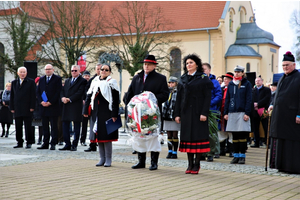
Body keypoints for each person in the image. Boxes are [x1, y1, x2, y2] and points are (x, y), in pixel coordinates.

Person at [125, 55, 169, 170]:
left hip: (152, 113)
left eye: (149, 64)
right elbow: (130, 93)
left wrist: (150, 100)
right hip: (137, 114)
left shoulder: (161, 78)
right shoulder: (137, 77)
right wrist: (129, 103)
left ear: (154, 66)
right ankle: (141, 161)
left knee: (153, 138)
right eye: (145, 64)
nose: (146, 66)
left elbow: (165, 95)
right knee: (139, 137)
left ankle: (154, 162)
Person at [174, 54, 213, 174]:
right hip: (186, 113)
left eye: (191, 62)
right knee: (187, 139)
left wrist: (204, 113)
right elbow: (179, 98)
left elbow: (207, 97)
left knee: (197, 138)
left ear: (196, 64)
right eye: (186, 63)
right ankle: (189, 164)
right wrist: (177, 114)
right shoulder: (183, 78)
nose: (188, 65)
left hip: (198, 113)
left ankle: (197, 164)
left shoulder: (202, 78)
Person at [268, 51, 300, 174]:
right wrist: (272, 105)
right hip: (280, 116)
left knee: (291, 142)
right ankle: (280, 165)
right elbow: (277, 95)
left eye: (287, 65)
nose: (285, 67)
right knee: (279, 140)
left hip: (292, 117)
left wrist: (299, 114)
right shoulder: (282, 77)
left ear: (294, 65)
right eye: (283, 65)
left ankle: (293, 167)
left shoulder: (298, 77)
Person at [83, 64, 120, 167]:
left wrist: (114, 114)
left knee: (107, 137)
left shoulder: (112, 83)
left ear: (109, 72)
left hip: (108, 112)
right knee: (98, 137)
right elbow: (89, 96)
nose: (103, 71)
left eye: (106, 70)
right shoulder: (94, 81)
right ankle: (101, 158)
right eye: (102, 69)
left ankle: (108, 159)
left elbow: (116, 100)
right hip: (96, 112)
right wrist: (85, 110)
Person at [224, 65, 252, 164]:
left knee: (242, 135)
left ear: (242, 73)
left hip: (242, 112)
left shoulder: (246, 84)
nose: (237, 73)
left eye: (239, 72)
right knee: (234, 135)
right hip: (232, 112)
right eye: (235, 72)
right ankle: (235, 155)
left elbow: (249, 99)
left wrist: (247, 113)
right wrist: (226, 112)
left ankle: (242, 156)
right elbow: (227, 98)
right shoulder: (231, 84)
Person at [59, 65, 87, 151]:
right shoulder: (67, 80)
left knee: (77, 126)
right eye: (72, 71)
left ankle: (74, 144)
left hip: (76, 106)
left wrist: (69, 99)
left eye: (75, 70)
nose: (73, 72)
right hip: (66, 106)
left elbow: (80, 92)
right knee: (65, 125)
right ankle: (67, 143)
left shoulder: (82, 81)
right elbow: (62, 91)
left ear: (79, 71)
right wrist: (63, 98)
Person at [37, 64, 62, 150]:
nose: (48, 71)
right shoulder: (41, 79)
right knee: (44, 126)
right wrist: (41, 101)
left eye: (49, 69)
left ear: (53, 70)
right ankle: (45, 142)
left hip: (53, 107)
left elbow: (58, 92)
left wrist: (50, 102)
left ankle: (53, 143)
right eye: (46, 69)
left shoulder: (57, 79)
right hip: (43, 107)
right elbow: (38, 92)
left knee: (54, 126)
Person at [10, 66, 36, 148]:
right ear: (18, 73)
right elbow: (12, 96)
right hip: (17, 107)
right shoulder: (14, 82)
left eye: (24, 72)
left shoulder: (31, 82)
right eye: (21, 72)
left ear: (26, 73)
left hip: (27, 107)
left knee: (28, 126)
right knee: (18, 126)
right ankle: (19, 142)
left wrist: (32, 106)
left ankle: (29, 141)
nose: (22, 74)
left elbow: (33, 95)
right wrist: (12, 107)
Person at [202, 63, 222, 162]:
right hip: (200, 110)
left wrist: (208, 103)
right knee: (201, 133)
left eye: (205, 69)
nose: (203, 71)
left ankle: (211, 152)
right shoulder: (199, 81)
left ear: (209, 70)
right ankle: (202, 152)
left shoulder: (214, 82)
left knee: (211, 133)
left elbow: (218, 95)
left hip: (211, 110)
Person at [84, 63, 102, 152]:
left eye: (100, 69)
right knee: (92, 127)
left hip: (102, 107)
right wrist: (85, 110)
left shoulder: (108, 80)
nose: (99, 70)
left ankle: (102, 144)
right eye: (98, 69)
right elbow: (88, 94)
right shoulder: (92, 80)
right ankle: (92, 144)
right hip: (94, 107)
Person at [162, 76, 180, 159]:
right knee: (169, 134)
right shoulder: (166, 92)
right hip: (166, 115)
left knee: (175, 134)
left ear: (176, 83)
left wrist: (177, 115)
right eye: (169, 82)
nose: (171, 84)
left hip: (174, 115)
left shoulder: (178, 92)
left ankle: (175, 152)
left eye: (172, 82)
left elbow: (178, 105)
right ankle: (169, 151)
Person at [251, 76, 271, 148]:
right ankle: (256, 142)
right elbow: (251, 98)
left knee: (265, 126)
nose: (257, 82)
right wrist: (254, 105)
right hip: (255, 111)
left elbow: (267, 98)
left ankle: (267, 142)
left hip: (263, 110)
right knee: (255, 127)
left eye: (259, 81)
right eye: (256, 81)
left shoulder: (266, 89)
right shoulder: (253, 90)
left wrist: (258, 104)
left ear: (262, 81)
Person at [218, 72, 234, 157]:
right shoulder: (222, 89)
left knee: (231, 131)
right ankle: (222, 149)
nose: (225, 80)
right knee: (221, 131)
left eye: (227, 79)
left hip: (230, 112)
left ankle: (231, 150)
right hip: (221, 112)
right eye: (224, 79)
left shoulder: (233, 89)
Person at [80, 70, 91, 146]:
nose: (87, 77)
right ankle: (82, 139)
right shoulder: (81, 84)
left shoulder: (91, 83)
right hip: (83, 106)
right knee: (84, 124)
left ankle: (92, 140)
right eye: (85, 76)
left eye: (88, 76)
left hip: (90, 105)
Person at [32, 77, 43, 145]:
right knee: (32, 124)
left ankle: (40, 138)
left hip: (40, 108)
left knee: (40, 125)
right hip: (34, 108)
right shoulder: (33, 89)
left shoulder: (42, 89)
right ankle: (32, 138)